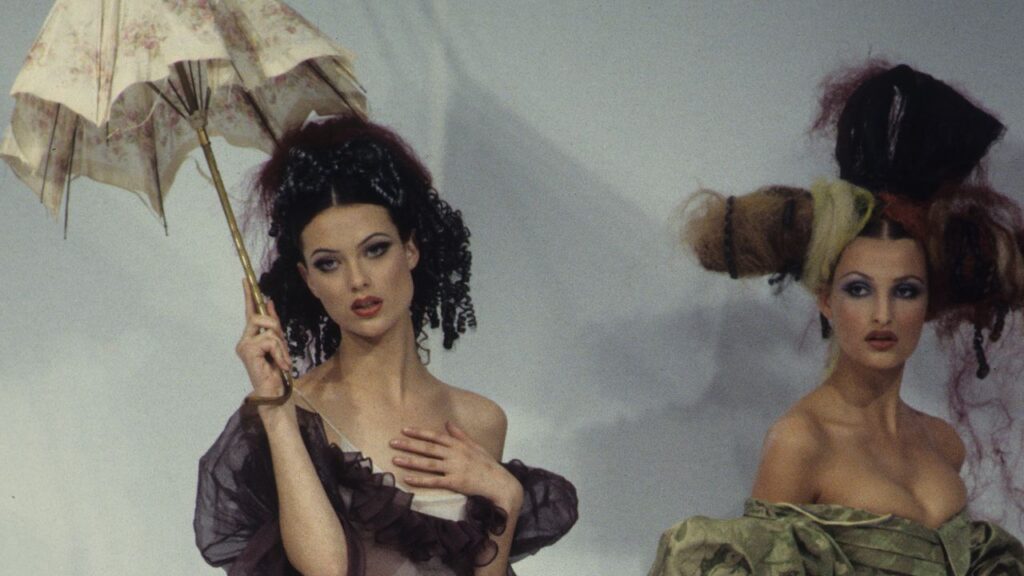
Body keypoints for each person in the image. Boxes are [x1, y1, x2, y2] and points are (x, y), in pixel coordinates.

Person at [649, 63, 1024, 574]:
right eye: (858, 289)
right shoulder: (801, 440)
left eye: (906, 291)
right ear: (826, 300)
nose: (882, 314)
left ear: (929, 305)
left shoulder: (943, 443)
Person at [194, 115, 577, 576]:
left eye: (375, 249)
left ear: (410, 249)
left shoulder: (480, 420)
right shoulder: (292, 412)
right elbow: (328, 570)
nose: (358, 279)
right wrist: (277, 412)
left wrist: (507, 500)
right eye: (329, 263)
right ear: (308, 279)